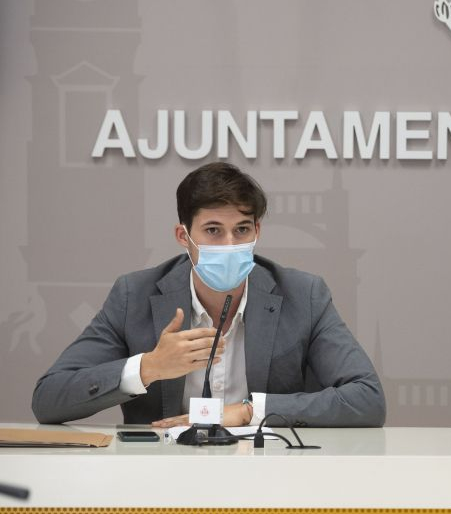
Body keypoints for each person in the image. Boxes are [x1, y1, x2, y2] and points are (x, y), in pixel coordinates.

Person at [32, 162, 385, 428]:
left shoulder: (303, 295)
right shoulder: (134, 296)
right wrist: (150, 367)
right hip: (161, 479)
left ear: (257, 231)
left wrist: (249, 411)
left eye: (241, 229)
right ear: (183, 236)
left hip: (268, 478)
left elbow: (368, 399)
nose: (229, 244)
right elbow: (48, 398)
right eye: (213, 230)